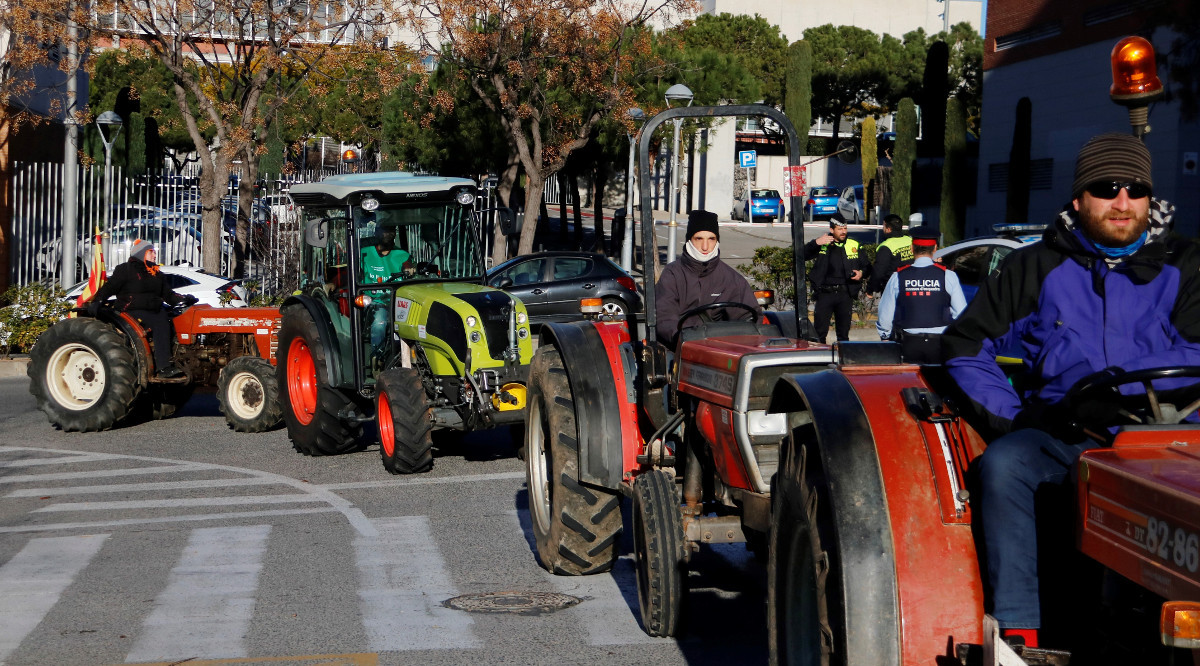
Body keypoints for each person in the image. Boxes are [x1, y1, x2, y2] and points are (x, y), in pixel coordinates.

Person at [943, 133, 1200, 649]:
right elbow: (966, 346)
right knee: (1005, 465)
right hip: (1068, 432)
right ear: (1080, 197)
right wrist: (1018, 418)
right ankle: (1021, 632)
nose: (1123, 202)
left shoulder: (1187, 264)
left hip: (1177, 438)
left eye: (1136, 188)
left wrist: (1122, 384)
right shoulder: (1033, 267)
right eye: (1106, 188)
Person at [85, 239, 196, 379]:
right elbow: (109, 287)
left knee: (173, 320)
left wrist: (184, 299)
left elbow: (168, 295)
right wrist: (98, 300)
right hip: (131, 310)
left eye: (154, 253)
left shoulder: (156, 273)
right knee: (160, 323)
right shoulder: (125, 270)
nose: (155, 256)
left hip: (154, 309)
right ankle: (163, 367)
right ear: (141, 253)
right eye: (151, 252)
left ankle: (178, 360)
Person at [655, 209, 761, 347]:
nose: (705, 247)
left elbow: (748, 319)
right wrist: (683, 340)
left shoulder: (732, 279)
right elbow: (664, 317)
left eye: (711, 239)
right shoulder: (672, 274)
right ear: (689, 240)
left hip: (720, 349)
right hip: (680, 348)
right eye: (699, 238)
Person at [876, 226, 966, 363]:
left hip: (908, 343)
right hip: (939, 344)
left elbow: (885, 314)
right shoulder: (948, 276)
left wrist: (885, 336)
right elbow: (961, 313)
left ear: (912, 248)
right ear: (935, 249)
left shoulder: (898, 276)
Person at [802, 213, 868, 342]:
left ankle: (842, 359)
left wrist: (861, 273)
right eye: (840, 229)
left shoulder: (854, 244)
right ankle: (820, 359)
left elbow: (867, 266)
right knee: (819, 333)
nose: (843, 232)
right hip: (825, 293)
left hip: (845, 294)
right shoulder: (824, 243)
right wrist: (815, 243)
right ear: (832, 230)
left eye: (845, 228)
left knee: (843, 334)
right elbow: (801, 255)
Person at [360, 228, 411, 361]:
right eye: (386, 230)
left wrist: (409, 269)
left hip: (397, 299)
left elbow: (407, 265)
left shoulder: (401, 254)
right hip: (376, 301)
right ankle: (377, 358)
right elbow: (352, 273)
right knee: (379, 322)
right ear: (377, 232)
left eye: (392, 230)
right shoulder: (365, 253)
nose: (389, 233)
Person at [867, 213, 913, 294]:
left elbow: (878, 272)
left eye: (883, 226)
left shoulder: (885, 246)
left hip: (892, 288)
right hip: (912, 286)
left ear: (888, 229)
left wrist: (871, 289)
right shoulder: (910, 241)